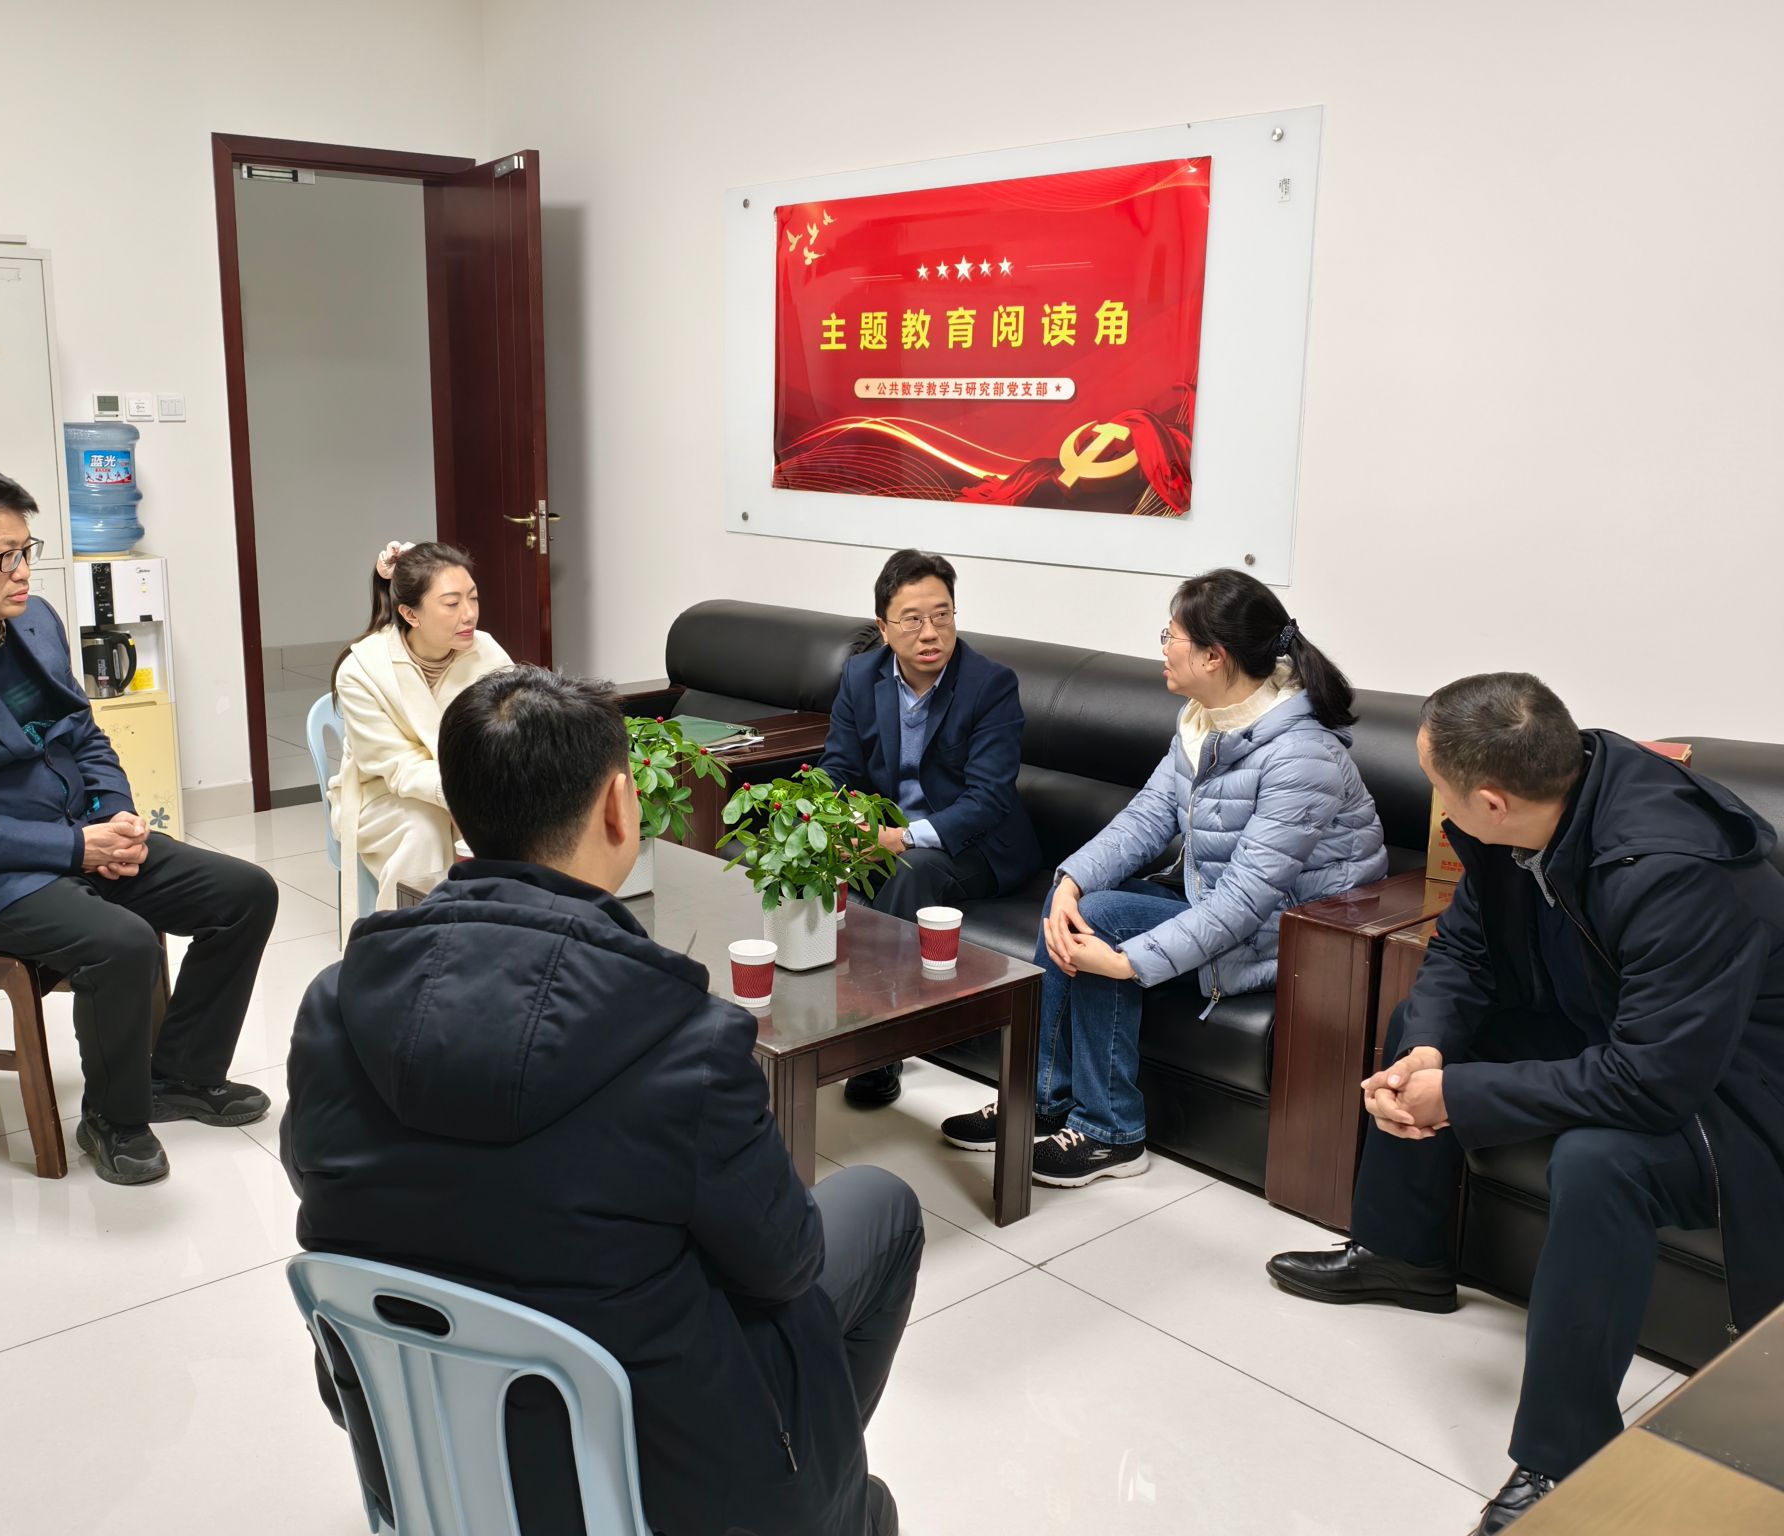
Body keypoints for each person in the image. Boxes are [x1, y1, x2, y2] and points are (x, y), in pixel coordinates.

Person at [283, 665, 923, 1536]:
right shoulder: (688, 1043)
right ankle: (818, 1504)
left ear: (460, 817)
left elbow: (326, 1186)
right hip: (662, 1479)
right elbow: (785, 1262)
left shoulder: (332, 1006)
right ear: (621, 808)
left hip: (425, 1457)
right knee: (880, 1206)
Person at [1267, 674, 1784, 1534]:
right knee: (1416, 1024)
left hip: (1734, 1090)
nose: (1434, 798)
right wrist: (1432, 1052)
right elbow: (1465, 952)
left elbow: (1651, 1081)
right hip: (1613, 1027)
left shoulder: (1672, 872)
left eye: (1437, 783)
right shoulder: (1534, 813)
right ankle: (1401, 1256)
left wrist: (1456, 1097)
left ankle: (1561, 1457)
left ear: (1491, 800)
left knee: (1601, 1161)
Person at [0, 466, 278, 1186]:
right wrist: (76, 847)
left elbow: (83, 733)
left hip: (72, 837)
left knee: (244, 893)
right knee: (121, 943)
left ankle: (180, 1076)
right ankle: (113, 1119)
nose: (22, 571)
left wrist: (114, 820)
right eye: (3, 556)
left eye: (27, 550)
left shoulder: (32, 621)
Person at [942, 568, 1387, 1185]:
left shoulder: (1301, 756)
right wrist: (1068, 880)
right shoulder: (1205, 720)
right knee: (1074, 901)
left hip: (1289, 934)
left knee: (1102, 921)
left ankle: (1112, 1133)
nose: (1164, 649)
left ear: (1214, 655)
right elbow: (1147, 818)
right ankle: (1039, 1100)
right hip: (1213, 901)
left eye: (1170, 637)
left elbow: (1247, 900)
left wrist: (1127, 963)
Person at [818, 548, 1040, 1105]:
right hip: (888, 834)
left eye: (942, 615)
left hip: (977, 845)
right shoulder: (861, 675)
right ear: (883, 628)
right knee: (804, 855)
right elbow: (837, 768)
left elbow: (987, 800)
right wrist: (838, 824)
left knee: (906, 871)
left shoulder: (990, 685)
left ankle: (876, 1049)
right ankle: (808, 1019)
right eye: (912, 620)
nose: (930, 633)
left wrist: (898, 838)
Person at [326, 539, 511, 934]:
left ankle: (507, 935)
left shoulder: (488, 653)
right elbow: (396, 766)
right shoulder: (362, 670)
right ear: (410, 613)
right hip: (384, 795)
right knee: (423, 829)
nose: (469, 614)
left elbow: (511, 731)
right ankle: (409, 943)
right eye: (451, 603)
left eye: (473, 598)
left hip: (475, 786)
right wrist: (462, 792)